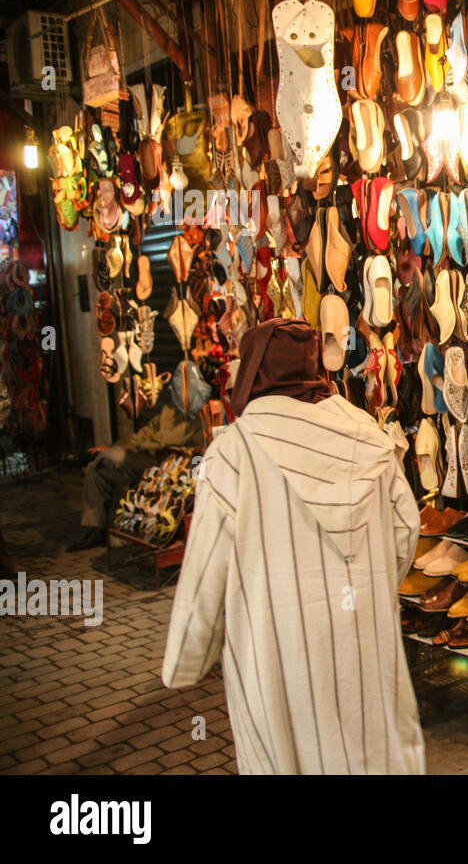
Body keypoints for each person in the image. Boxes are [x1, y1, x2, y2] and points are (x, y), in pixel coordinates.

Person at [161, 318, 425, 774]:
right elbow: (406, 529)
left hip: (277, 659)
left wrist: (188, 655)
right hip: (362, 647)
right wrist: (371, 586)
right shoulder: (368, 437)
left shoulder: (235, 453)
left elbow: (206, 569)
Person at [71, 401, 204, 551]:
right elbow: (144, 434)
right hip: (152, 457)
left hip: (175, 461)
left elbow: (162, 441)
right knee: (96, 470)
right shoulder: (169, 409)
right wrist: (120, 445)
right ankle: (94, 529)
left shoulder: (194, 413)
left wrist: (130, 446)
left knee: (109, 457)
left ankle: (97, 456)